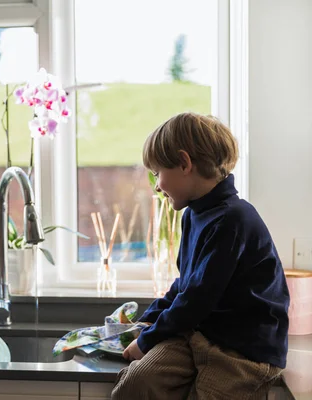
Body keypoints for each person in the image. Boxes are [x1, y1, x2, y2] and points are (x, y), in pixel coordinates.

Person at [111, 112, 290, 399]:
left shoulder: (233, 219)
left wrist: (148, 340)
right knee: (137, 383)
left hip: (244, 349)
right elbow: (187, 285)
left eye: (158, 173)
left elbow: (197, 298)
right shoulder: (194, 215)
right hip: (203, 332)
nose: (156, 185)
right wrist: (149, 319)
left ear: (184, 163)